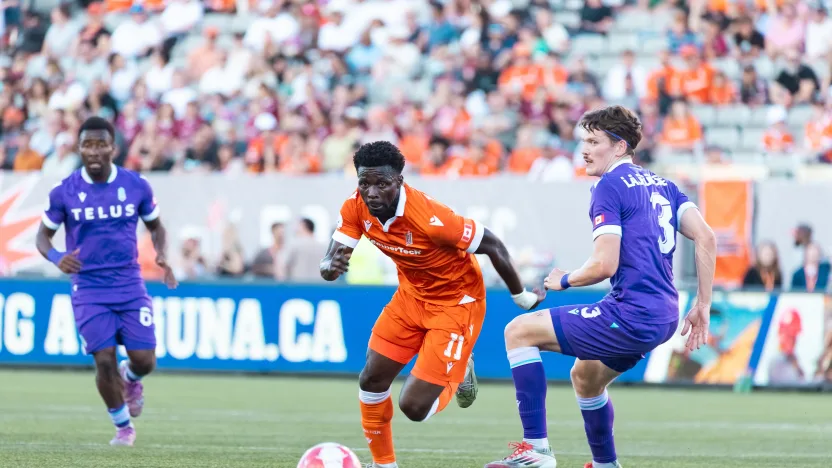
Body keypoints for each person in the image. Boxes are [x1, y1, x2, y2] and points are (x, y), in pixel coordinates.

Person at [485, 106, 717, 468]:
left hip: (631, 313)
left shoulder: (609, 185)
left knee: (518, 331)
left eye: (594, 141)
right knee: (586, 377)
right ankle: (606, 465)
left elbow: (603, 265)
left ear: (620, 147)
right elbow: (706, 236)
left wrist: (563, 279)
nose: (585, 150)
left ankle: (536, 450)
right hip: (664, 315)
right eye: (583, 141)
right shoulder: (664, 184)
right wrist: (703, 304)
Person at [320, 141, 544, 468]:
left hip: (457, 304)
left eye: (381, 184)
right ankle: (385, 466)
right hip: (411, 297)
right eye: (364, 183)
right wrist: (329, 267)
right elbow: (334, 256)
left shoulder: (431, 218)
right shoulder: (355, 207)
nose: (371, 192)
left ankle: (461, 368)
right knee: (371, 379)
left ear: (399, 181)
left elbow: (493, 245)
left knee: (413, 408)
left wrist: (521, 296)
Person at [35, 116, 178, 447]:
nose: (94, 151)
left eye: (101, 144)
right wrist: (57, 257)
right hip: (88, 288)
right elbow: (42, 236)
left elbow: (156, 226)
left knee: (145, 360)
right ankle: (124, 427)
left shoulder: (136, 185)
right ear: (79, 148)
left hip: (129, 283)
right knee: (103, 359)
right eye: (88, 144)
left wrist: (161, 253)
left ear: (113, 147)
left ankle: (131, 379)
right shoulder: (64, 191)